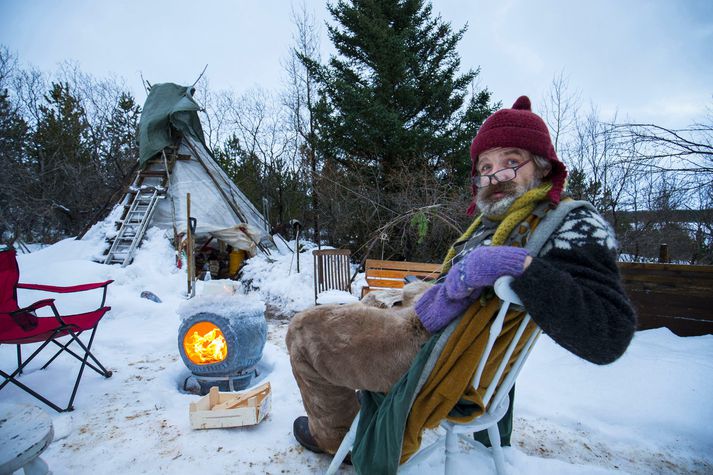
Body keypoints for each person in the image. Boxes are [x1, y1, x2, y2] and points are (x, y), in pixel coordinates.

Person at [286, 96, 637, 462]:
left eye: (511, 162)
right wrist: (448, 281)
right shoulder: (496, 222)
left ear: (544, 168)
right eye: (484, 166)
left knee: (303, 330)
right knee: (374, 300)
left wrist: (517, 265)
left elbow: (609, 334)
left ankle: (335, 437)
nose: (494, 176)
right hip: (441, 341)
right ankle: (361, 410)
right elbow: (463, 285)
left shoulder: (570, 222)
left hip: (441, 366)